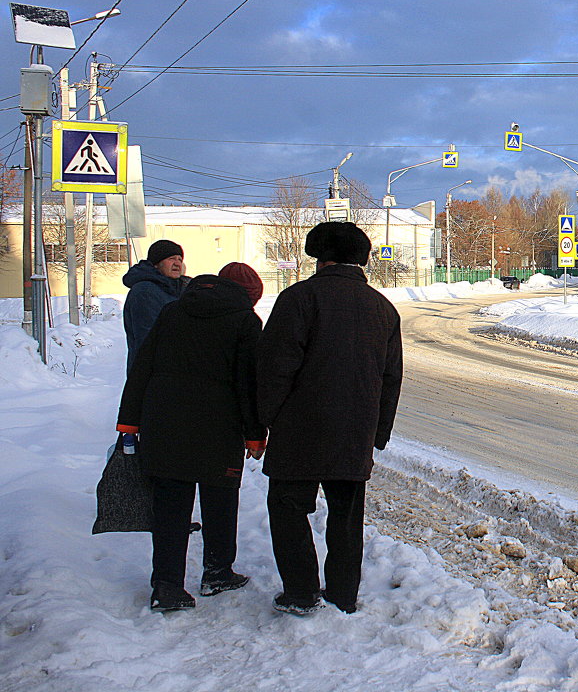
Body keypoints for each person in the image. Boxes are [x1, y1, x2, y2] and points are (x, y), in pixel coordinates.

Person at [258, 222, 403, 616]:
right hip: (354, 433)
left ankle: (301, 592)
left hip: (298, 429)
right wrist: (377, 432)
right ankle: (343, 594)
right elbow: (391, 379)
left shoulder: (297, 299)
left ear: (321, 260)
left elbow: (274, 368)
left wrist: (262, 421)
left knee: (288, 509)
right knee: (346, 516)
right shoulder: (383, 309)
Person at [116, 262, 266, 613]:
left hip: (164, 423)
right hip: (220, 427)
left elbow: (143, 365)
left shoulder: (172, 311)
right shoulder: (245, 321)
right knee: (221, 499)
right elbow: (249, 382)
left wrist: (129, 421)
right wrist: (255, 433)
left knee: (170, 505)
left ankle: (167, 586)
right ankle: (217, 571)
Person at [123, 239, 188, 372]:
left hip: (172, 369)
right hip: (153, 371)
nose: (177, 263)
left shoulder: (178, 288)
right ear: (157, 264)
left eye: (180, 259)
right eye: (171, 259)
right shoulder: (145, 292)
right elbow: (148, 338)